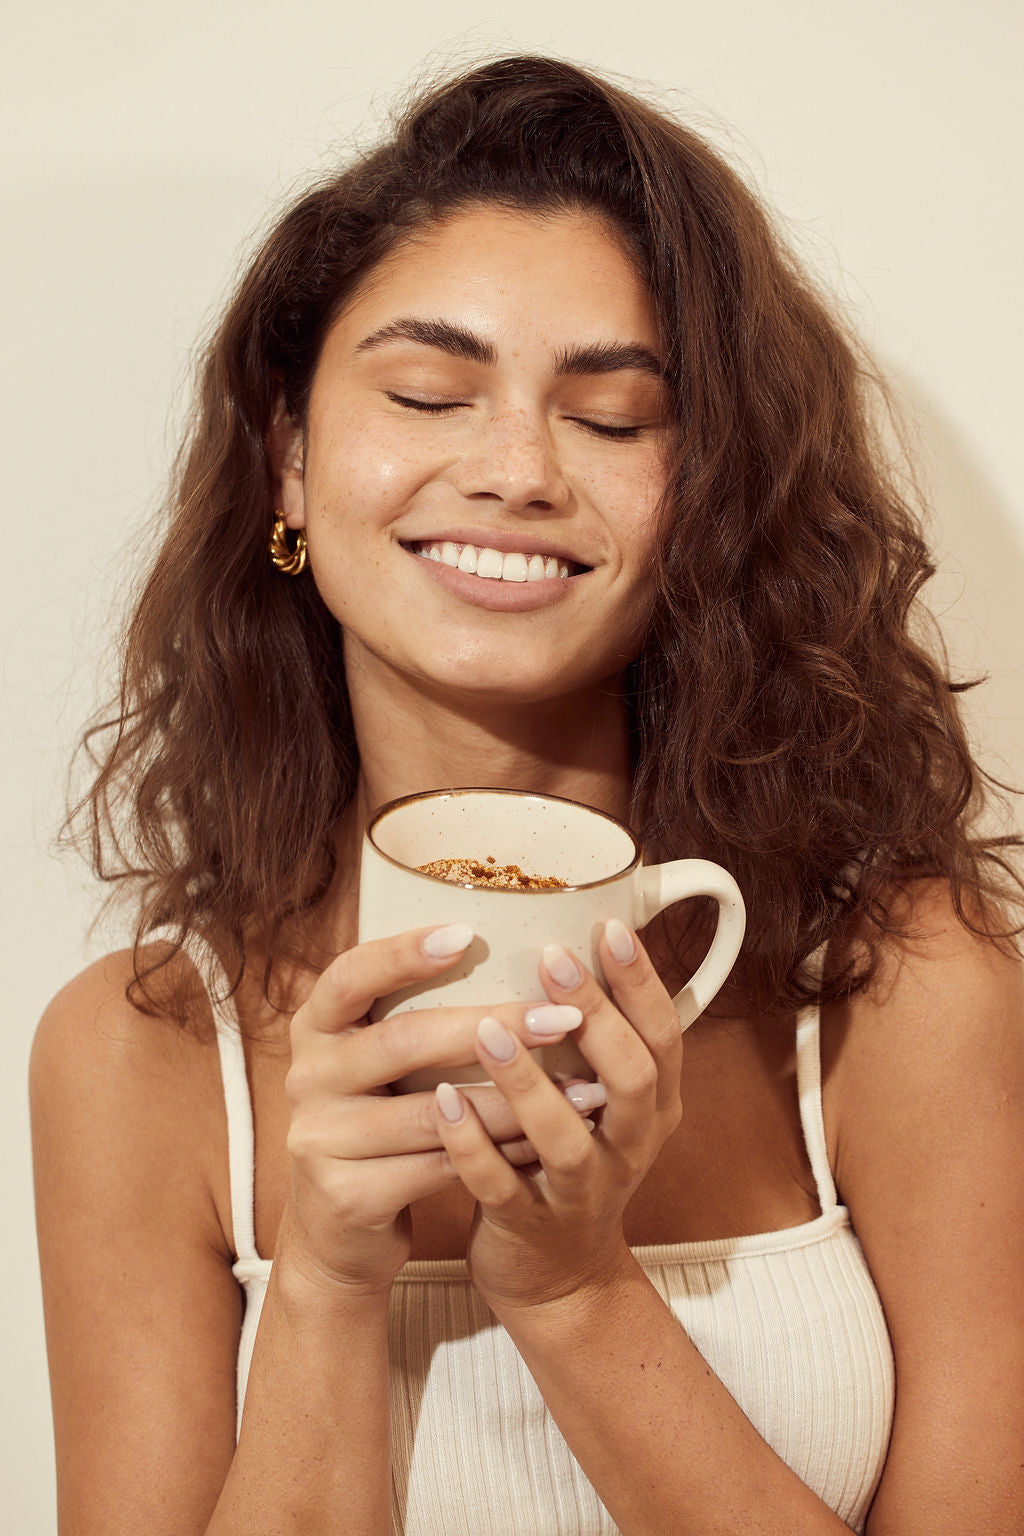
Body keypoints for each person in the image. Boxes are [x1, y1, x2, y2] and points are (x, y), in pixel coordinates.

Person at [30, 54, 1024, 1536]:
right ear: (289, 459)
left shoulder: (903, 983)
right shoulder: (141, 1056)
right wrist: (325, 1284)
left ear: (710, 500)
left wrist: (571, 1291)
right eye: (429, 392)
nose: (514, 470)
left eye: (615, 420)